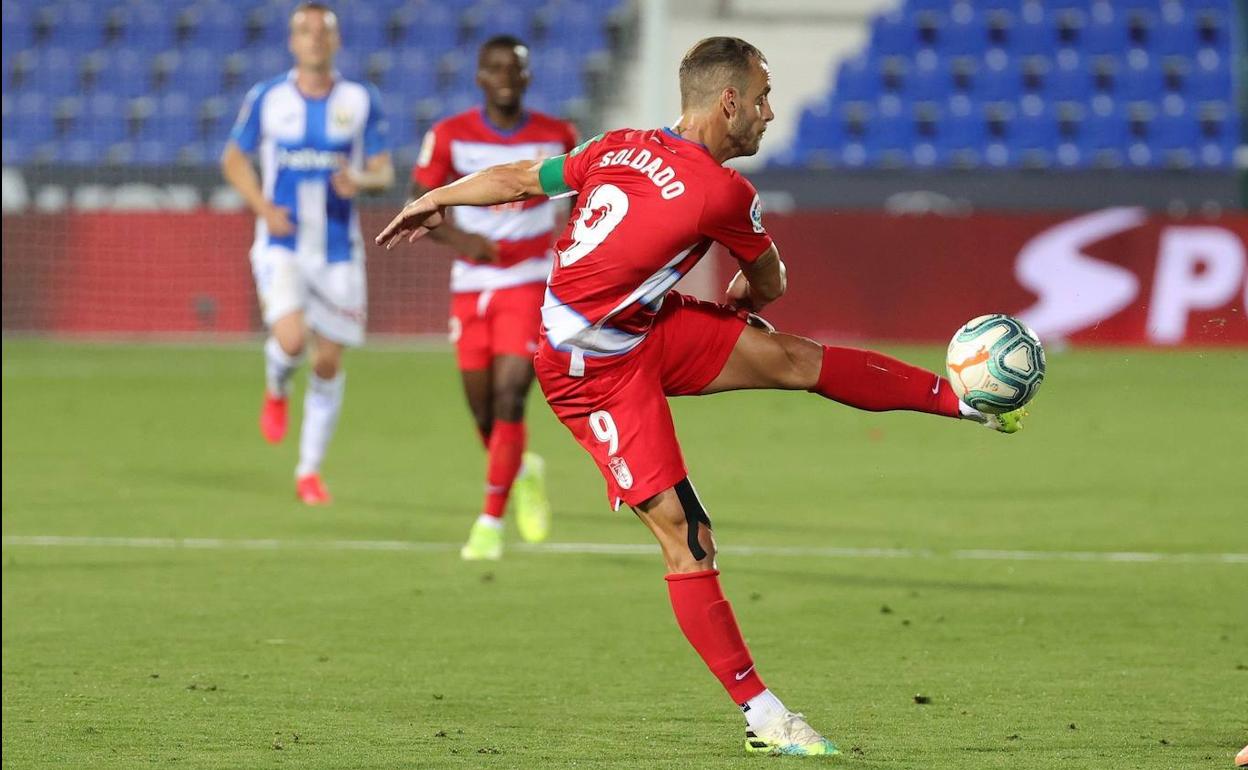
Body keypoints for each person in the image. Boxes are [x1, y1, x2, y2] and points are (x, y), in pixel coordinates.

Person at [377, 36, 1026, 757]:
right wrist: (752, 288)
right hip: (589, 373)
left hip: (643, 328)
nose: (770, 113)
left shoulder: (616, 146)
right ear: (729, 102)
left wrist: (435, 198)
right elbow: (771, 282)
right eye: (763, 97)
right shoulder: (724, 194)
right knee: (689, 541)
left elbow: (524, 178)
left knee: (790, 358)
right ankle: (764, 716)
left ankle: (963, 402)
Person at [409, 35, 576, 560]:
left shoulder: (556, 136)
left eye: (516, 68)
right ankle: (523, 470)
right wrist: (463, 241)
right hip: (471, 286)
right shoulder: (450, 136)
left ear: (527, 77)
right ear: (480, 77)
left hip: (528, 280)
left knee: (510, 396)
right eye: (496, 68)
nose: (506, 75)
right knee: (482, 410)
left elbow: (586, 203)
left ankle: (488, 524)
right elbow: (420, 205)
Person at [222, 2, 394, 504]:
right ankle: (277, 387)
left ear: (336, 41)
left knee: (327, 362)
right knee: (292, 339)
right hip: (283, 243)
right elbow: (233, 158)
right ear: (292, 42)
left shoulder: (362, 100)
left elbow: (383, 170)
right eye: (305, 31)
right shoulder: (268, 98)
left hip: (339, 251)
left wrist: (359, 178)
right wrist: (261, 207)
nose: (315, 38)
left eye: (324, 31)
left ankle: (308, 470)